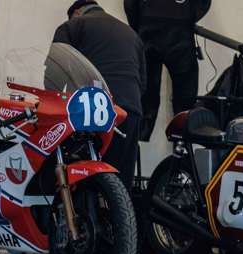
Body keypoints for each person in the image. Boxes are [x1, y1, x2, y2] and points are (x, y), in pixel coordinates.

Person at [53, 0, 146, 189]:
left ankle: (82, 215)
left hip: (94, 109)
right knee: (122, 180)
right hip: (131, 109)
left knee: (84, 172)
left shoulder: (73, 25)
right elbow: (144, 81)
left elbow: (55, 71)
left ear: (77, 12)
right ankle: (123, 217)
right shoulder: (131, 34)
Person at [124, 0, 212, 141]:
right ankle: (183, 141)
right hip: (180, 33)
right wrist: (187, 17)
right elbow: (203, 3)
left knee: (146, 95)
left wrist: (140, 24)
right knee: (185, 99)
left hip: (148, 31)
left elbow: (130, 5)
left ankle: (140, 137)